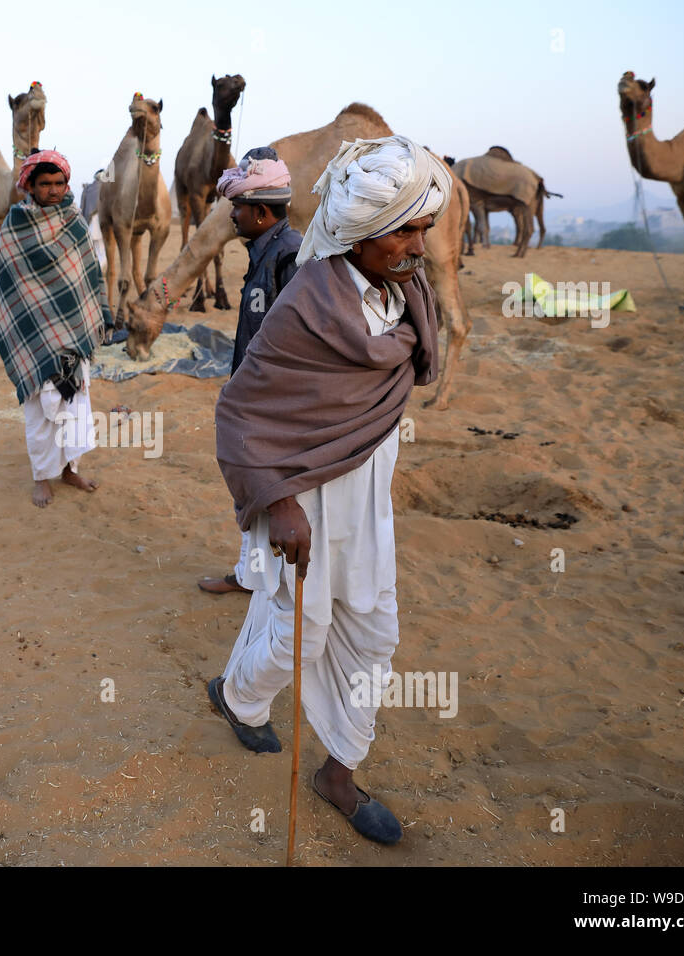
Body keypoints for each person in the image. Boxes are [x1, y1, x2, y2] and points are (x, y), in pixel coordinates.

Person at [208, 135, 451, 846]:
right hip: (307, 499)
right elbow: (241, 411)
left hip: (370, 499)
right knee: (301, 631)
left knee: (376, 631)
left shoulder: (407, 293)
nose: (418, 244)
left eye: (424, 227)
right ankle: (238, 697)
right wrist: (277, 501)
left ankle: (339, 771)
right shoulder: (306, 302)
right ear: (361, 229)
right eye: (404, 228)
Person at [196, 146, 302, 596]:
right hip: (255, 397)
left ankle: (269, 586)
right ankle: (250, 576)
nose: (232, 216)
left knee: (270, 490)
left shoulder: (290, 258)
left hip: (275, 403)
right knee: (252, 491)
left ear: (260, 211)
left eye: (237, 207)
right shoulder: (266, 251)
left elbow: (298, 342)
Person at [0, 149, 113, 508]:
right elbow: (12, 283)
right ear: (29, 185)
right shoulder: (16, 225)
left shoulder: (75, 222)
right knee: (40, 410)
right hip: (33, 336)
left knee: (75, 403)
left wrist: (100, 313)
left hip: (73, 333)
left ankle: (69, 469)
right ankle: (42, 476)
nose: (53, 190)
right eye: (45, 184)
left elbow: (90, 275)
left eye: (59, 183)